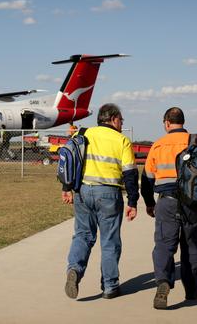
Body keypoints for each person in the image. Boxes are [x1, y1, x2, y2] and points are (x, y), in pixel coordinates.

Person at [62, 103, 147, 300]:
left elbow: (69, 161)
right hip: (108, 193)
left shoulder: (83, 134)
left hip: (82, 191)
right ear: (114, 119)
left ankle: (74, 268)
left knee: (83, 235)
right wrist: (132, 201)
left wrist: (66, 189)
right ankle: (110, 286)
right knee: (109, 241)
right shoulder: (122, 140)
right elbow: (130, 175)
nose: (122, 124)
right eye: (121, 120)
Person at [141, 107, 197, 309]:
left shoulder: (158, 144)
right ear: (183, 122)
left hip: (167, 200)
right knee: (191, 244)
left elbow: (147, 179)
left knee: (164, 244)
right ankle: (192, 289)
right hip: (193, 201)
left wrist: (149, 203)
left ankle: (163, 282)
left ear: (166, 123)